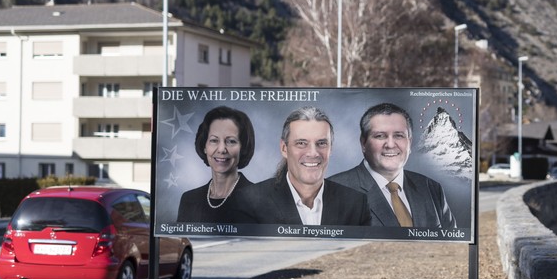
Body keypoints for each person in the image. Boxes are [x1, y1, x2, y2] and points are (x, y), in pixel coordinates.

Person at [234, 106, 371, 226]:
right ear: (284, 148)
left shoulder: (356, 204)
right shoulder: (250, 201)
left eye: (321, 143)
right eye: (301, 143)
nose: (313, 153)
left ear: (331, 148)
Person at [329, 102, 456, 228]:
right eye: (380, 136)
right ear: (363, 143)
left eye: (398, 135)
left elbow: (452, 245)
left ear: (409, 143)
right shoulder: (333, 191)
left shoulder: (431, 188)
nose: (390, 144)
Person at [177, 106, 256, 223]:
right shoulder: (189, 200)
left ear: (242, 148)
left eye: (231, 141)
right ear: (204, 146)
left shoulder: (258, 200)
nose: (222, 149)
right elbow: (183, 241)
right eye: (214, 140)